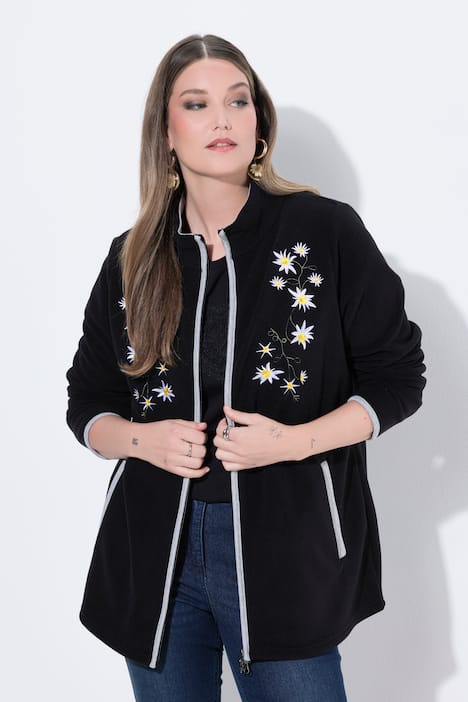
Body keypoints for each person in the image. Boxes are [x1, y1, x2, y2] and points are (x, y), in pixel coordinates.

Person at [66, 34, 426, 702]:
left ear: (259, 121)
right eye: (196, 104)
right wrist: (143, 440)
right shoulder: (132, 257)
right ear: (166, 133)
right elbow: (86, 400)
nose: (222, 119)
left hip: (286, 552)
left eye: (238, 101)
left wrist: (293, 442)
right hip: (156, 559)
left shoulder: (323, 231)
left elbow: (399, 376)